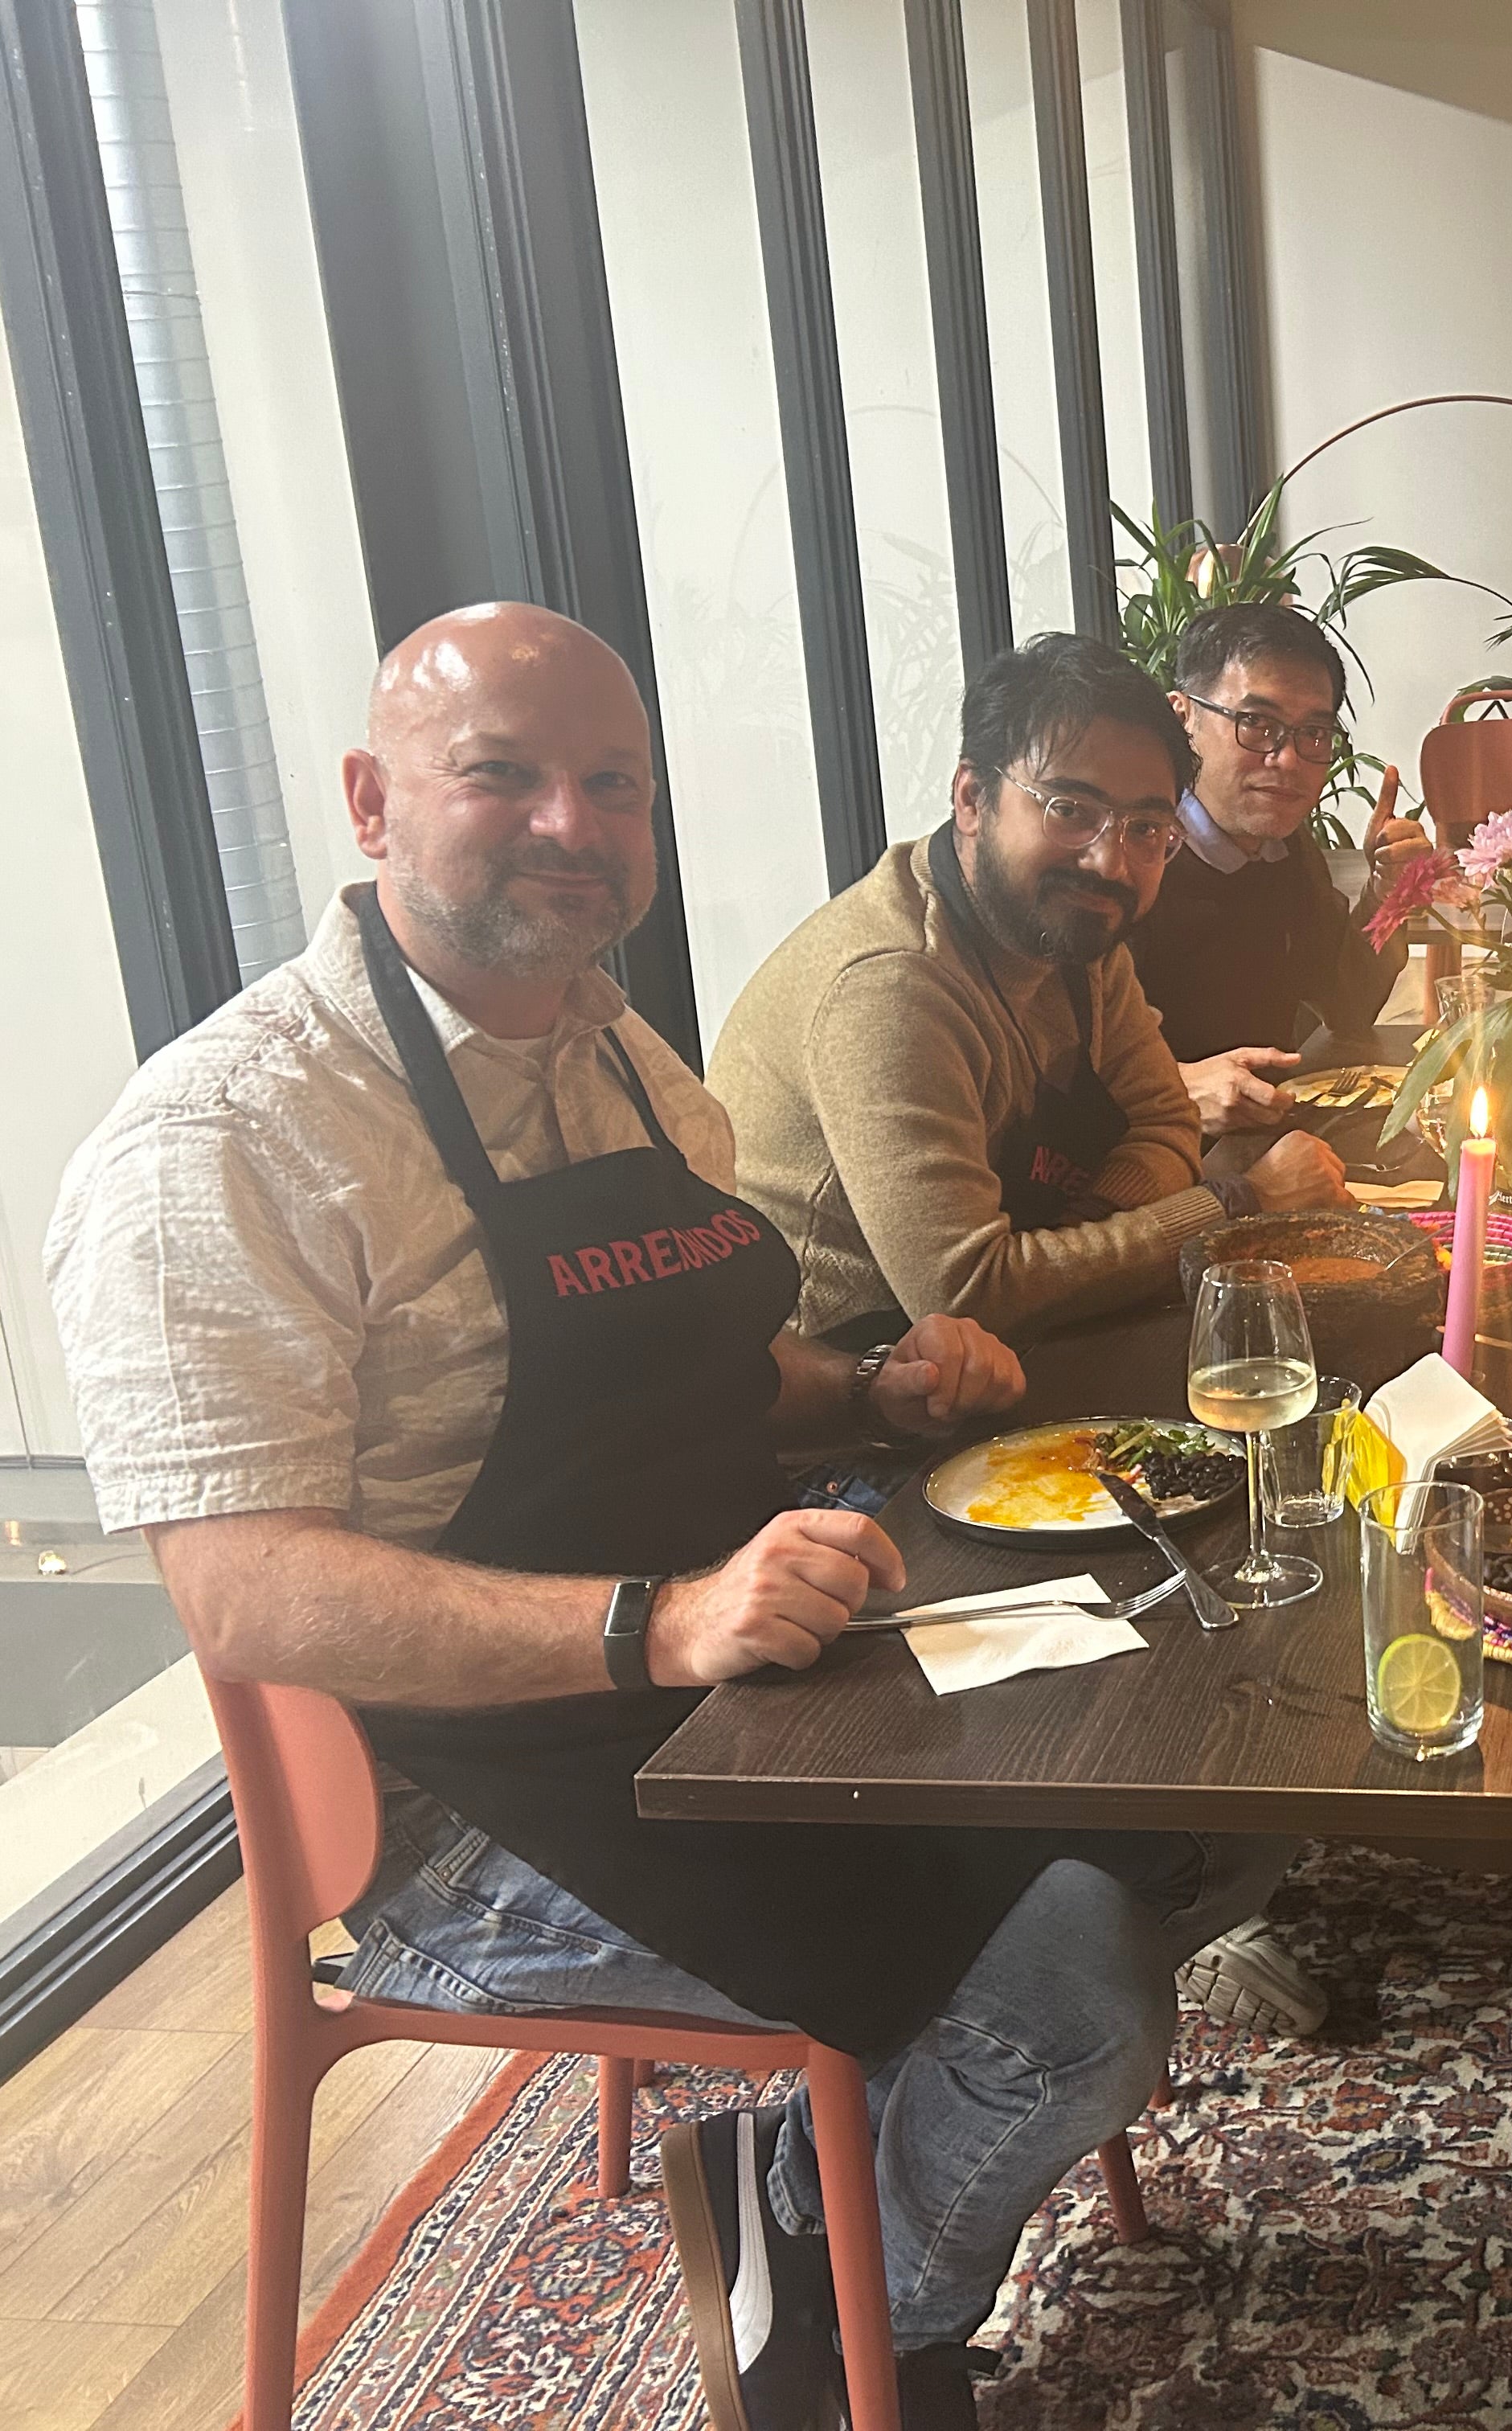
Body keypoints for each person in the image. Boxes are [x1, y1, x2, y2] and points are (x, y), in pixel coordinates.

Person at [46, 605, 1294, 2431]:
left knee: (1221, 1758)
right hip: (466, 1800)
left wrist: (866, 1394)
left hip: (742, 1666)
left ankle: (808, 2173)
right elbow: (245, 1594)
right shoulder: (228, 1138)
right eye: (504, 775)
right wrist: (664, 1619)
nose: (573, 823)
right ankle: (840, 2316)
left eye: (613, 784)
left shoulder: (617, 1052)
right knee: (1073, 2003)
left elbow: (712, 1360)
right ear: (371, 804)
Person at [711, 631, 1347, 1351]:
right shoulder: (892, 985)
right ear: (972, 797)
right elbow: (969, 1295)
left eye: (1145, 828)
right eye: (1070, 810)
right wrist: (1238, 1201)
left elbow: (1167, 1120)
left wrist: (1079, 1239)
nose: (1109, 861)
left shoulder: (1073, 935)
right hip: (862, 1376)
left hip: (1028, 1339)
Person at [1137, 601, 1435, 1133]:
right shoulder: (1128, 862)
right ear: (1182, 718)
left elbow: (1346, 1006)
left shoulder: (1285, 850)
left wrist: (1387, 893)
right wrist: (1177, 1087)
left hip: (1268, 1138)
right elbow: (1058, 1067)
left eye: (1313, 733)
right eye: (1256, 723)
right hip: (1157, 1160)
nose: (1288, 759)